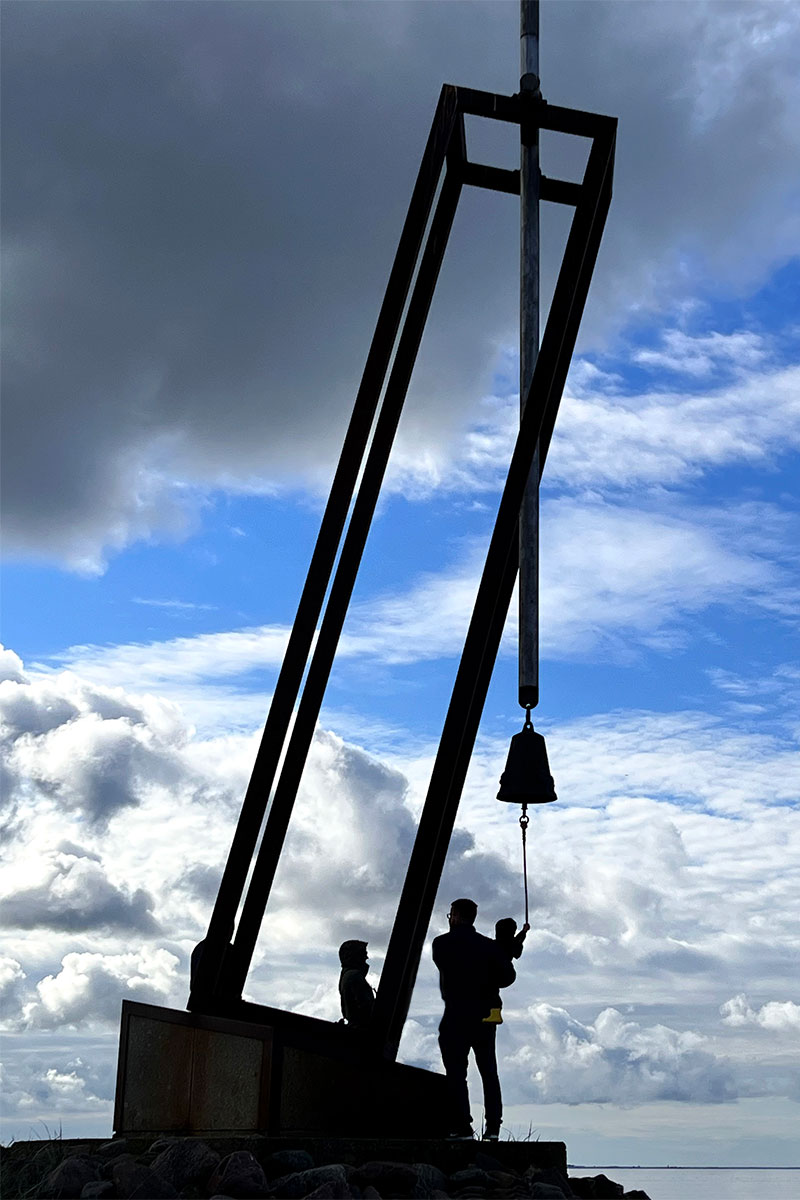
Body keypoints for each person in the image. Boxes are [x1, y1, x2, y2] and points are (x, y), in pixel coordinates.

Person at [432, 898, 516, 1141]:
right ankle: (493, 1128)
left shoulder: (441, 944)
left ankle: (462, 1127)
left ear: (455, 916)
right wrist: (503, 952)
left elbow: (446, 964)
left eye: (451, 915)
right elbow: (507, 977)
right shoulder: (490, 947)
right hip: (485, 1016)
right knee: (489, 1071)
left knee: (456, 1073)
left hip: (456, 1014)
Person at [484, 918, 530, 1023]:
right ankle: (495, 1012)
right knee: (491, 988)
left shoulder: (498, 944)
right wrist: (523, 931)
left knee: (490, 988)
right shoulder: (512, 943)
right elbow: (518, 940)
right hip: (507, 973)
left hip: (501, 972)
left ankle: (494, 1013)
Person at [338, 939, 375, 1028]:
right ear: (354, 956)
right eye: (363, 953)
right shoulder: (354, 976)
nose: (366, 957)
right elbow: (366, 1008)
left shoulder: (348, 976)